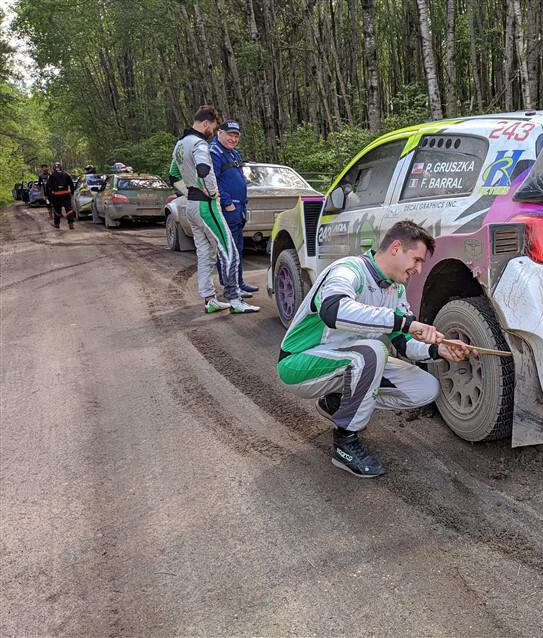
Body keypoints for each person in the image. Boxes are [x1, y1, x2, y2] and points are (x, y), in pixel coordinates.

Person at [276, 220, 473, 478]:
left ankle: (336, 402)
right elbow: (333, 310)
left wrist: (438, 350)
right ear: (396, 247)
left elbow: (403, 343)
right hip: (299, 364)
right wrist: (403, 321)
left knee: (426, 388)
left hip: (347, 363)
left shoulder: (396, 290)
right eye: (416, 260)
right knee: (374, 351)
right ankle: (345, 444)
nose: (419, 269)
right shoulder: (349, 270)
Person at [169, 105, 259, 315]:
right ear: (206, 124)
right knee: (229, 251)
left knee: (205, 254)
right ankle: (235, 299)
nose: (212, 131)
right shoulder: (199, 144)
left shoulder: (180, 145)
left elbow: (173, 175)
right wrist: (211, 193)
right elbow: (204, 169)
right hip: (206, 205)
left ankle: (209, 298)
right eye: (213, 127)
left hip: (192, 204)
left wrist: (190, 191)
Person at [210, 119, 258, 297]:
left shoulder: (234, 153)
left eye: (236, 135)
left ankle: (239, 282)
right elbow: (212, 182)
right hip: (228, 208)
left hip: (239, 208)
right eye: (230, 134)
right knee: (228, 248)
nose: (233, 138)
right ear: (219, 133)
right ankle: (230, 287)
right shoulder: (214, 152)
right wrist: (227, 202)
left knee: (238, 247)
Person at [45, 162, 77, 229]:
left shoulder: (52, 175)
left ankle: (57, 224)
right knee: (68, 209)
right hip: (66, 194)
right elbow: (71, 185)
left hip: (56, 195)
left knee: (57, 210)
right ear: (61, 167)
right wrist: (72, 193)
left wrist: (48, 195)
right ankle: (71, 223)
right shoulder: (66, 174)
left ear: (54, 168)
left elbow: (47, 187)